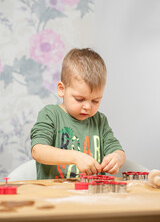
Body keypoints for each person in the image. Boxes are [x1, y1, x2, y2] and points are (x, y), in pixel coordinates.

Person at [30, 48, 126, 179]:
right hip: (54, 196)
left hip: (92, 196)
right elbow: (38, 151)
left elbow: (118, 151)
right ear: (62, 89)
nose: (87, 107)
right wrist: (75, 157)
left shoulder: (100, 121)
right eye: (79, 99)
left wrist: (116, 158)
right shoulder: (50, 114)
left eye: (95, 101)